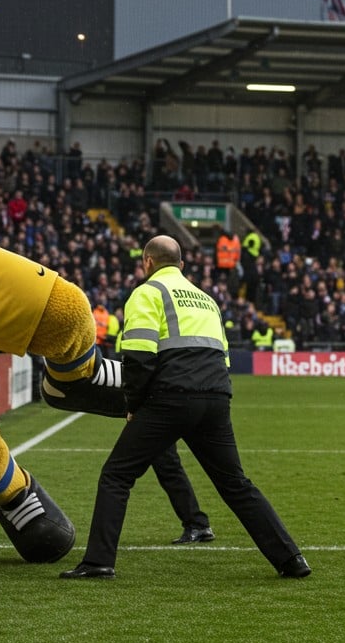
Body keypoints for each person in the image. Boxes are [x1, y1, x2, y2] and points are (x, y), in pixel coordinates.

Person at [61, 235, 309, 580]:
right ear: (182, 265)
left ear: (147, 262)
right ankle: (291, 559)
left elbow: (138, 356)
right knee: (236, 484)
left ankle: (99, 561)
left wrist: (134, 405)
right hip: (216, 398)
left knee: (117, 475)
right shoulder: (208, 300)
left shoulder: (147, 293)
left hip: (171, 398)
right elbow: (222, 356)